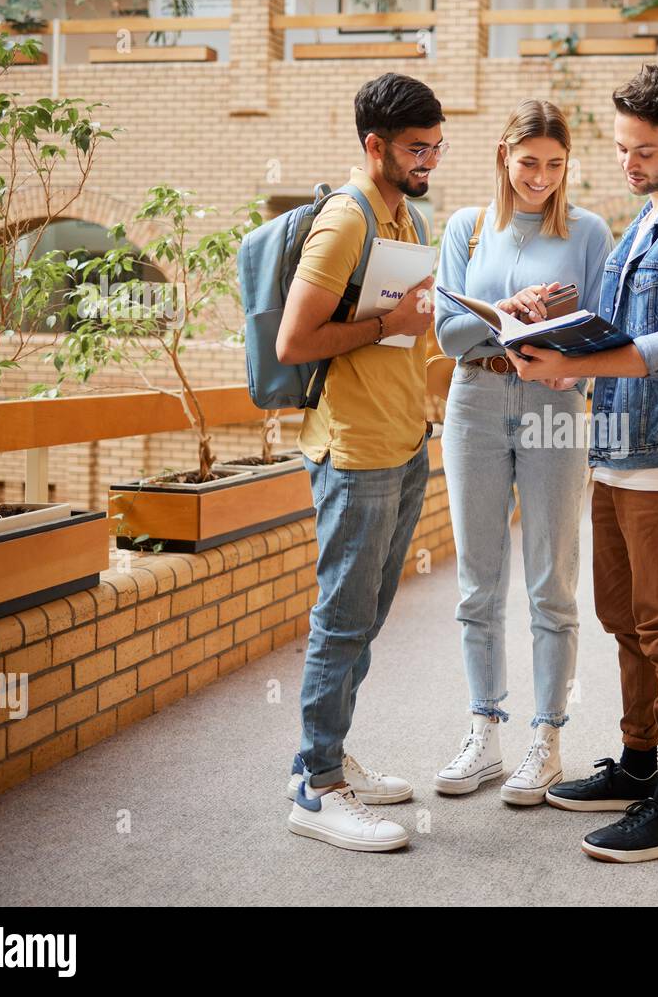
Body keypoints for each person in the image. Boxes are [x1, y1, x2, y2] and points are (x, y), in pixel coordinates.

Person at [508, 64, 658, 862]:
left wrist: (574, 366)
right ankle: (640, 763)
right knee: (625, 620)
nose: (630, 162)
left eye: (645, 150)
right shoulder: (646, 218)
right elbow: (621, 329)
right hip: (615, 448)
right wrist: (559, 326)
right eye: (620, 148)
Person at [275, 73, 445, 853]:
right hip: (354, 449)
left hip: (402, 440)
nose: (429, 161)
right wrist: (386, 324)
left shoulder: (402, 213)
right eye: (416, 149)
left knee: (368, 616)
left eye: (437, 148)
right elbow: (294, 342)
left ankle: (328, 753)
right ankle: (316, 788)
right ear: (373, 145)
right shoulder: (345, 220)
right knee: (342, 619)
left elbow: (408, 328)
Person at [433, 99, 613, 805]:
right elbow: (448, 335)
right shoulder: (465, 228)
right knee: (478, 582)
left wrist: (566, 354)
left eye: (555, 164)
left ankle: (547, 738)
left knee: (551, 582)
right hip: (473, 401)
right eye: (529, 161)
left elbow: (605, 335)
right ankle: (484, 732)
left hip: (555, 406)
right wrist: (516, 313)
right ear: (505, 156)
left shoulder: (590, 232)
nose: (540, 176)